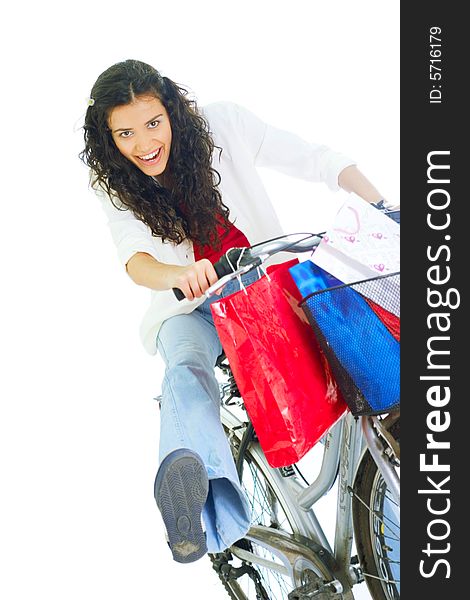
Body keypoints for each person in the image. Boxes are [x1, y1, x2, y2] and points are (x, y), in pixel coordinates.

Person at [80, 59, 399, 564]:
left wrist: (383, 205)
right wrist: (177, 276)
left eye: (152, 123)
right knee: (185, 365)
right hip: (192, 307)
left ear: (172, 110)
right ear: (107, 136)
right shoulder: (113, 184)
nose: (142, 144)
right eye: (125, 133)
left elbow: (313, 158)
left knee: (354, 347)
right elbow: (135, 258)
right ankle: (194, 487)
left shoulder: (222, 124)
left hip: (265, 288)